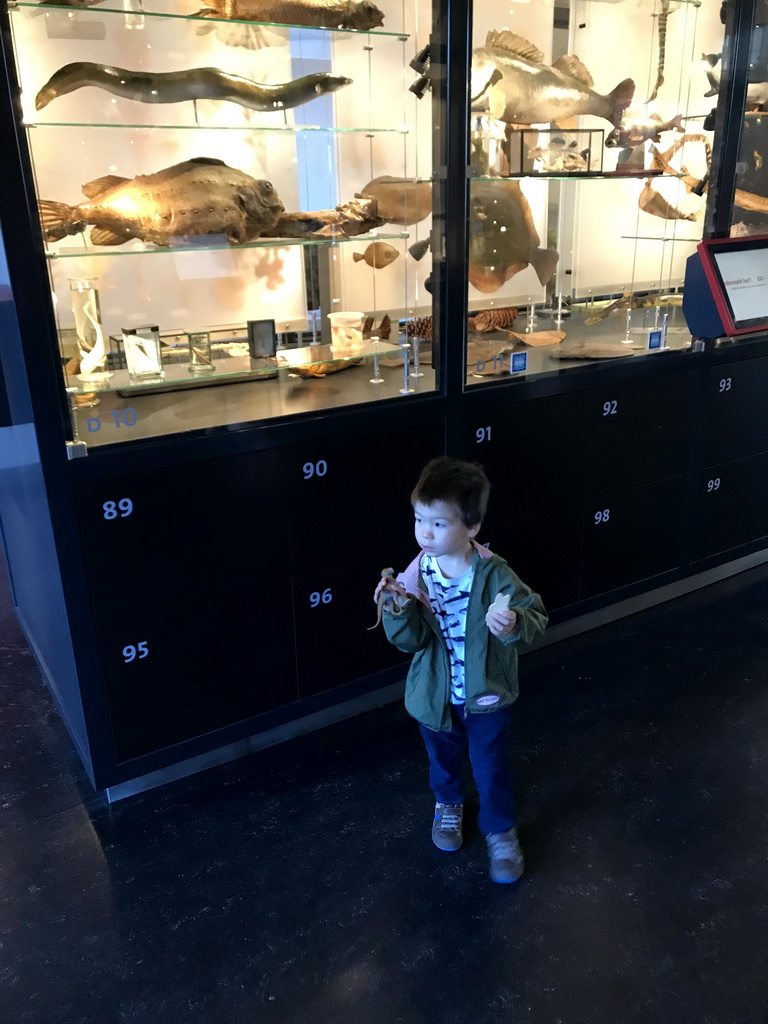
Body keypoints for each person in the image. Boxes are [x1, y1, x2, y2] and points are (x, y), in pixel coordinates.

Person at [373, 456, 547, 884]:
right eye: (419, 520)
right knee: (443, 761)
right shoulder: (415, 575)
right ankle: (448, 805)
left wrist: (513, 624)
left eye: (439, 523)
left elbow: (535, 619)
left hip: (486, 693)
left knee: (490, 766)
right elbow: (409, 642)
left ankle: (500, 830)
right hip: (434, 695)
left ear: (471, 527)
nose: (425, 534)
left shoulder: (494, 574)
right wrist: (396, 609)